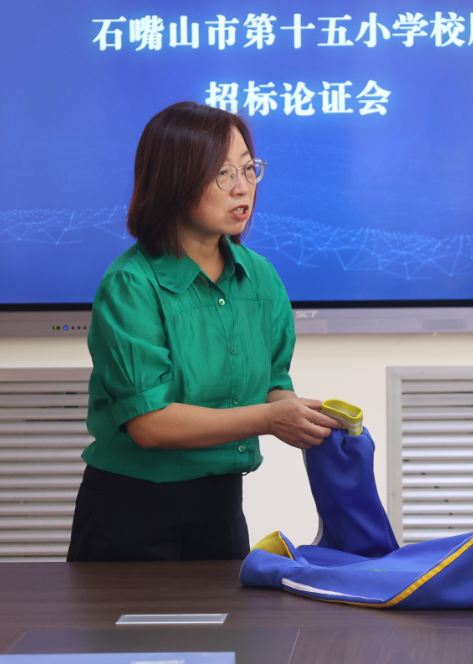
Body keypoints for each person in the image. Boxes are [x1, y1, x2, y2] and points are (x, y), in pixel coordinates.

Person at [67, 101, 342, 562]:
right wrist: (269, 419)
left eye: (249, 169)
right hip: (130, 515)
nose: (243, 187)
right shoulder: (130, 284)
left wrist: (305, 418)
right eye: (222, 173)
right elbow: (150, 424)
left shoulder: (260, 277)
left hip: (221, 508)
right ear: (173, 180)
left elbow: (273, 384)